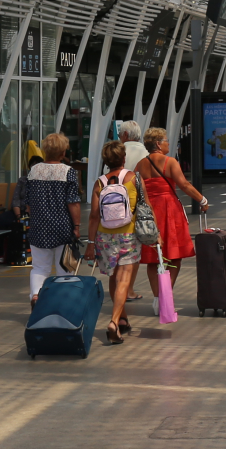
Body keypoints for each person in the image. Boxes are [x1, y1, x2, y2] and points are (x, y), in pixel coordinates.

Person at [85, 141, 141, 343]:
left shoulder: (99, 183)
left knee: (112, 277)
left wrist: (90, 243)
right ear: (124, 158)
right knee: (124, 279)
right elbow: (146, 206)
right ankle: (114, 322)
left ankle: (123, 318)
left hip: (104, 236)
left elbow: (93, 215)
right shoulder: (134, 178)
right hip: (128, 234)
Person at [137, 126, 206, 285]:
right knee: (174, 256)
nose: (169, 144)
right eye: (167, 141)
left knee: (153, 259)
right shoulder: (170, 162)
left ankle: (157, 298)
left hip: (149, 212)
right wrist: (202, 200)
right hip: (169, 210)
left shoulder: (140, 165)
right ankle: (166, 293)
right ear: (158, 144)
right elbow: (184, 185)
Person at [21, 132, 81, 302]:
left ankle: (36, 295)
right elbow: (73, 202)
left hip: (39, 227)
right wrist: (76, 226)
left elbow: (29, 203)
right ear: (63, 153)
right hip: (63, 227)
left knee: (40, 268)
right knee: (65, 269)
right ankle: (63, 304)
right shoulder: (68, 172)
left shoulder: (34, 171)